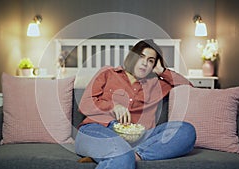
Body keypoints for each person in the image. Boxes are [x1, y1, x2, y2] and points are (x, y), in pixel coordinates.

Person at [75, 39, 196, 169]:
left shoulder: (157, 85)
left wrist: (162, 71)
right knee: (122, 154)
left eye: (150, 61)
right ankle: (120, 153)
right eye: (141, 57)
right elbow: (84, 104)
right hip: (98, 129)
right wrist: (113, 107)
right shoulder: (108, 73)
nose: (145, 63)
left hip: (140, 138)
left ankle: (133, 154)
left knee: (186, 131)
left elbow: (188, 87)